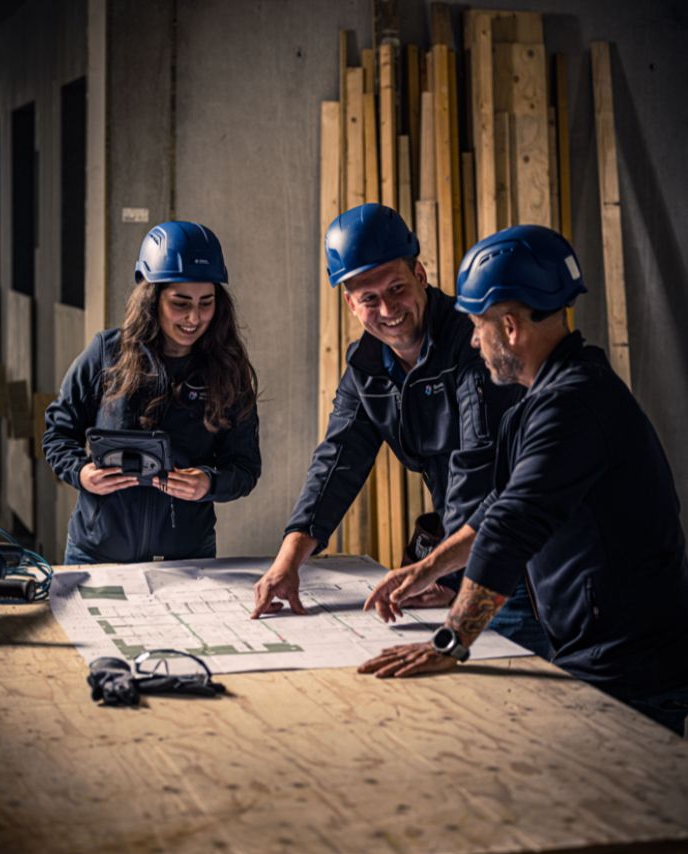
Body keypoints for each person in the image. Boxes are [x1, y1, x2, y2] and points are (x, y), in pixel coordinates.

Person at [360, 224, 688, 736]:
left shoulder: (571, 405)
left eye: (476, 326)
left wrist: (449, 642)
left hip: (629, 668)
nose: (472, 340)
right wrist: (426, 569)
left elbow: (512, 528)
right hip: (600, 652)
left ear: (509, 327)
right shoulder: (552, 392)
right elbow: (499, 504)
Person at [252, 203, 550, 656]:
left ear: (420, 274)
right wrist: (288, 561)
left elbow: (482, 471)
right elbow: (337, 461)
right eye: (369, 299)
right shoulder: (367, 365)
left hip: (517, 568)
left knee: (526, 699)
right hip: (463, 555)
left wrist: (444, 572)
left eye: (397, 289)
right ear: (350, 303)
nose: (388, 309)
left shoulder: (472, 343)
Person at [43, 220, 261, 564]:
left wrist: (209, 483)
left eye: (207, 302)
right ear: (152, 296)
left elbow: (246, 468)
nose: (194, 317)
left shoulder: (228, 370)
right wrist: (81, 473)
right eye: (180, 302)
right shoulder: (106, 353)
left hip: (187, 559)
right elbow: (57, 433)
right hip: (96, 554)